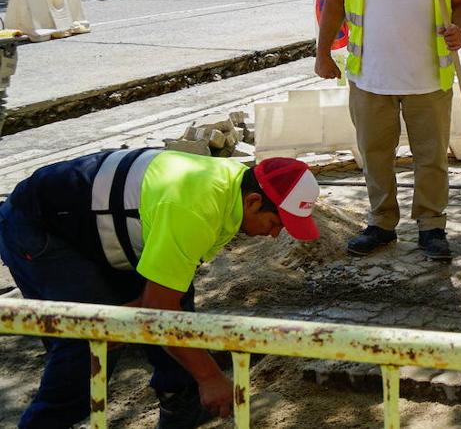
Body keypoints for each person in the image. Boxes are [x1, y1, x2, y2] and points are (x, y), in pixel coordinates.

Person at [0, 150, 321, 428]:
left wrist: (146, 308)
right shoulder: (196, 209)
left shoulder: (232, 184)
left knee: (175, 303)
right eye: (277, 223)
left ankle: (182, 404)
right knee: (93, 338)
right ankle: (46, 423)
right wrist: (210, 377)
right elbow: (160, 310)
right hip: (40, 225)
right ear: (254, 202)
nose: (276, 234)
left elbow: (162, 304)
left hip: (100, 227)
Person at [315, 0, 461, 259]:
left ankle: (431, 226)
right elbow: (334, 1)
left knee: (431, 156)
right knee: (374, 154)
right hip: (371, 75)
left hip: (428, 77)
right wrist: (322, 53)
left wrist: (460, 29)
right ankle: (382, 222)